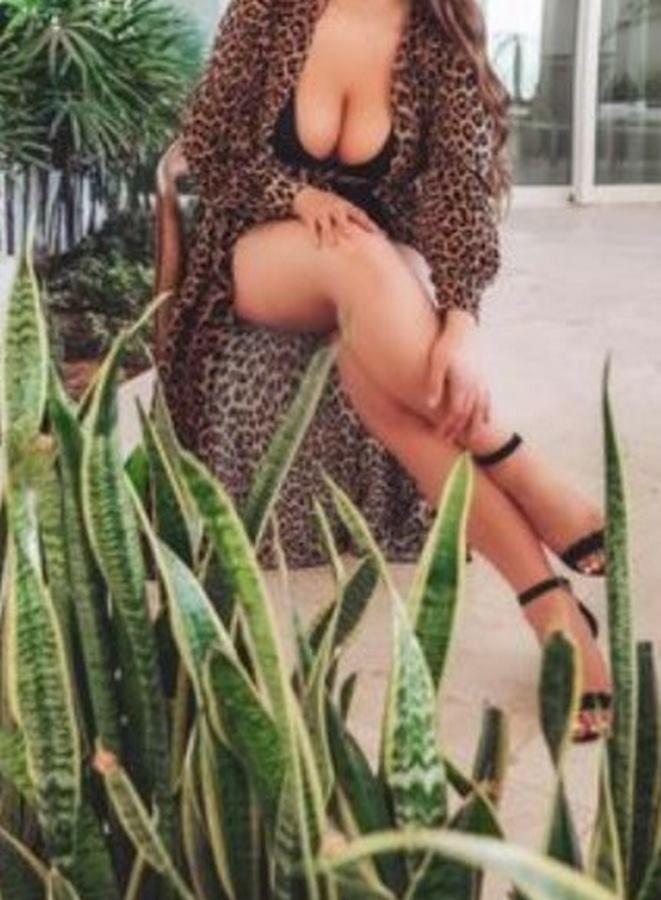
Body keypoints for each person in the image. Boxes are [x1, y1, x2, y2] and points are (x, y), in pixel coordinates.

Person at [155, 0, 611, 741]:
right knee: (361, 260)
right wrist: (297, 195)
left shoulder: (437, 39)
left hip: (374, 274)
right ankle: (511, 458)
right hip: (260, 251)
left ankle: (550, 606)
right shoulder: (269, 10)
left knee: (397, 399)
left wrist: (460, 321)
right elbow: (208, 144)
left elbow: (459, 193)